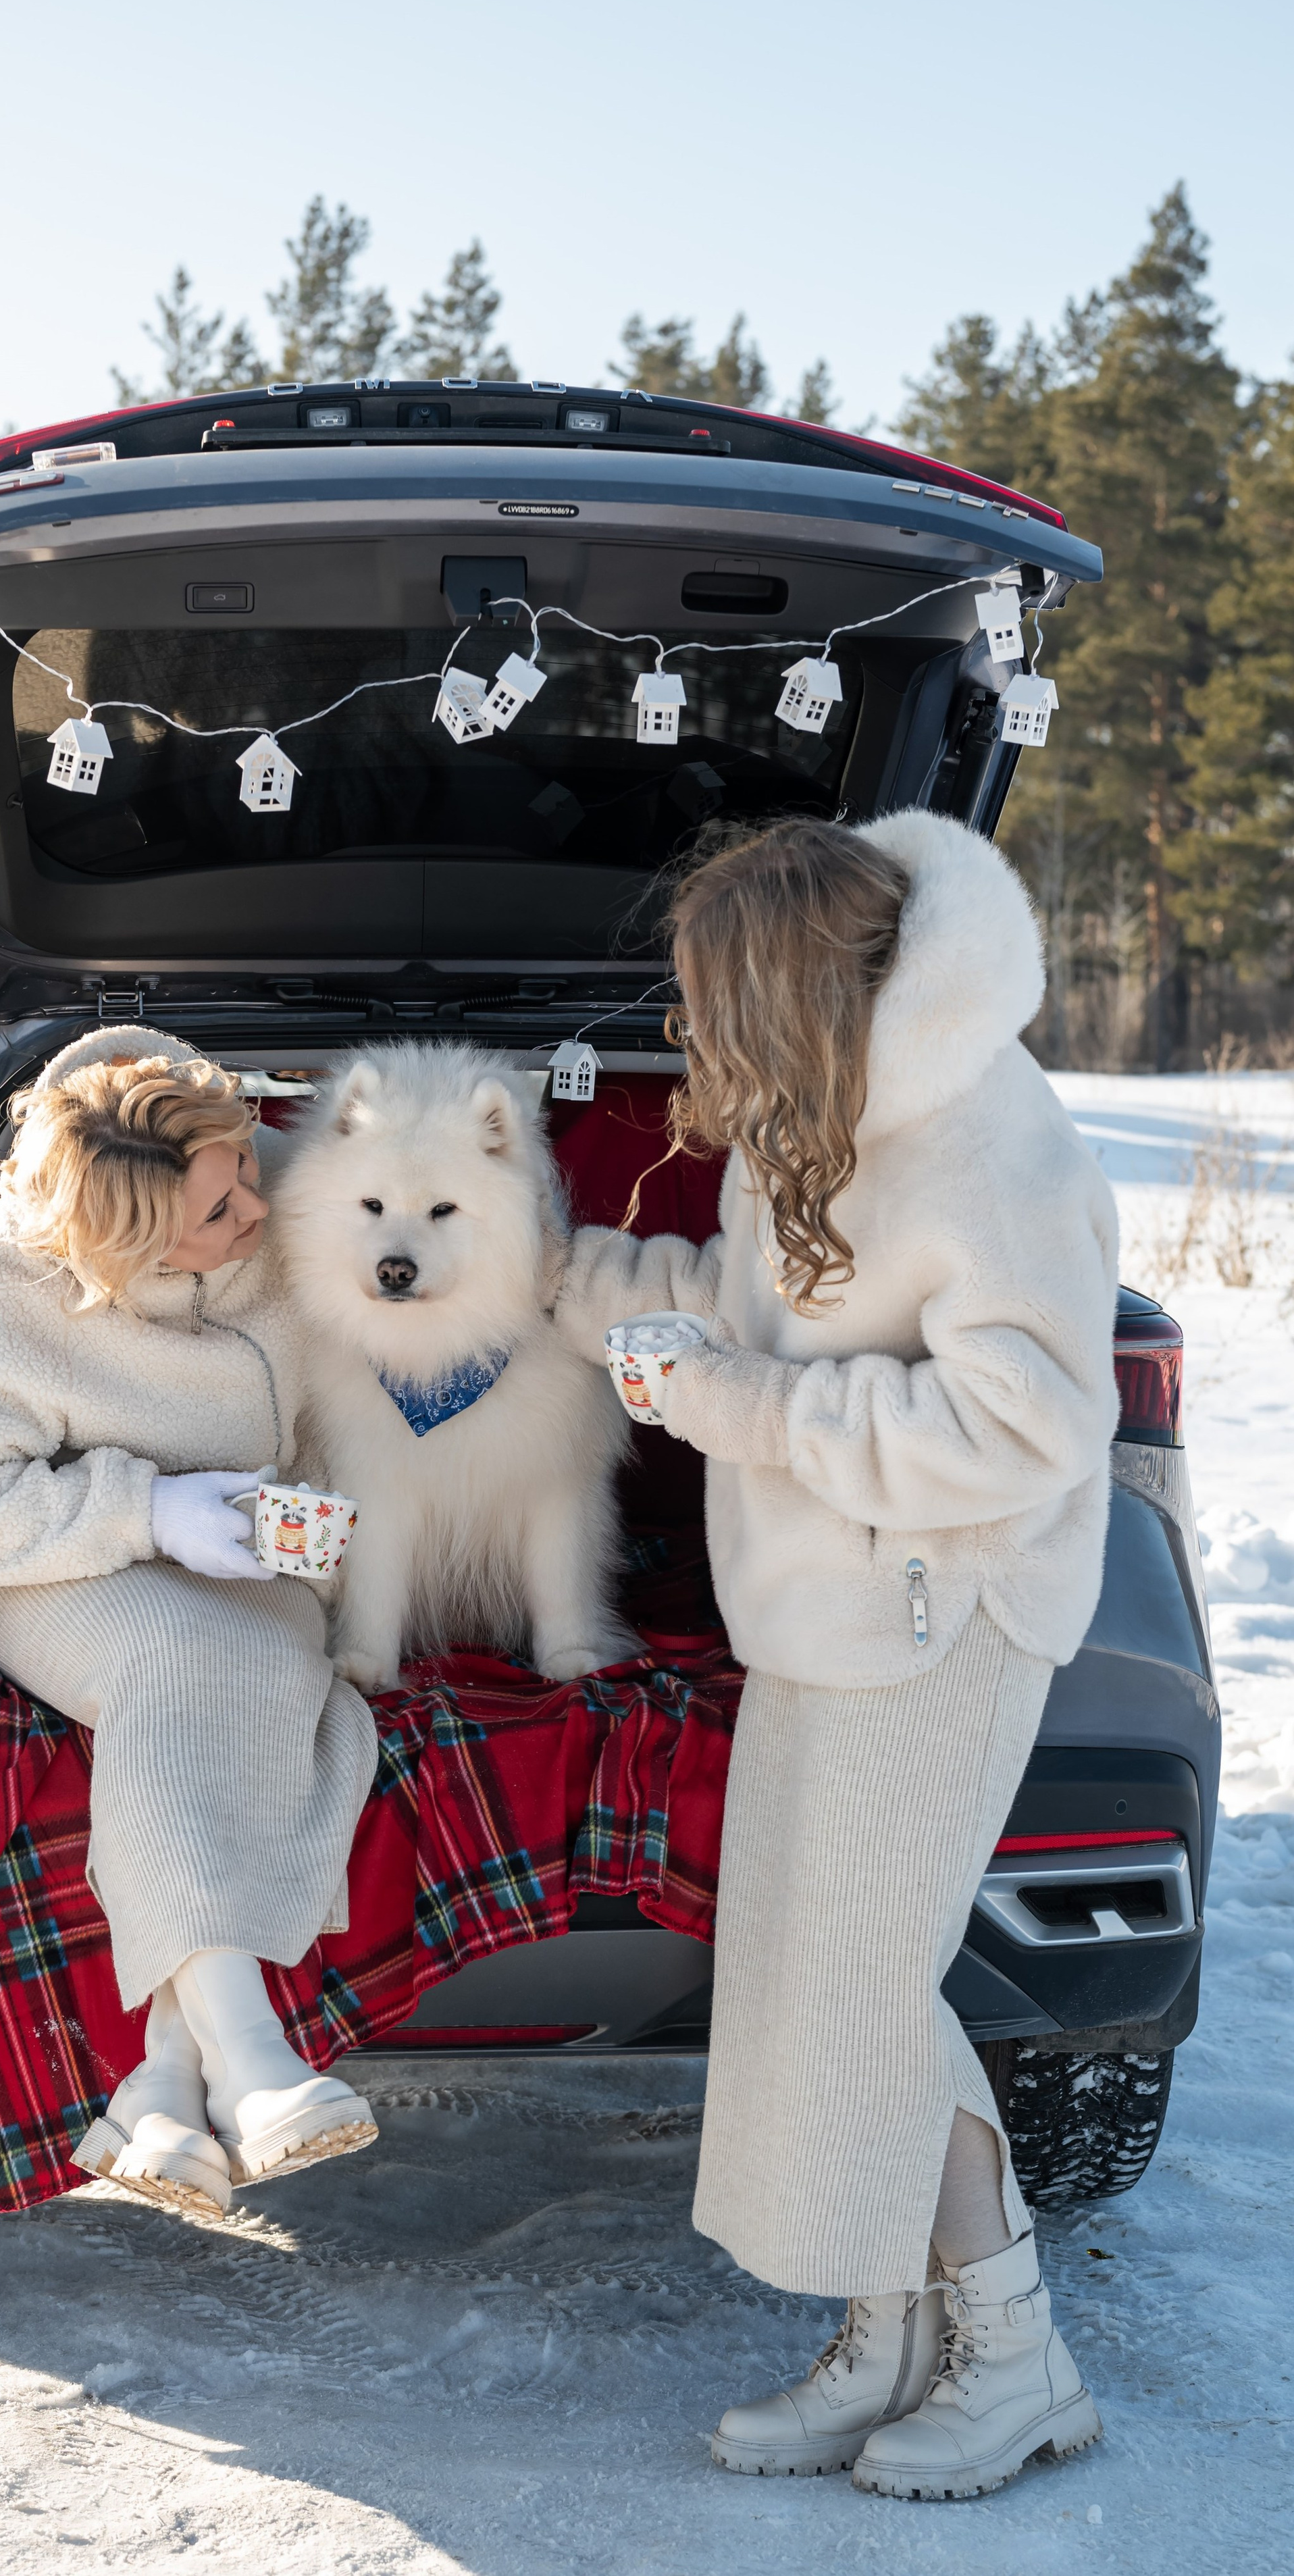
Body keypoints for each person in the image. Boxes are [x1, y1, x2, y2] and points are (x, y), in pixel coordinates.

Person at [557, 808, 1118, 2502]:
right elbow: (744, 1301)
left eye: (708, 1002)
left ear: (790, 995)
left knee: (865, 1994)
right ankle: (885, 2337)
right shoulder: (821, 1107)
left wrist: (737, 1407)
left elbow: (1023, 1424)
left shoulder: (985, 1140)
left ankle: (1014, 2359)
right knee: (811, 1985)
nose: (689, 1035)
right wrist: (556, 1274)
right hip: (823, 1610)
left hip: (945, 1619)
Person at [0, 1028, 379, 2221]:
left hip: (252, 1564)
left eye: (247, 1168)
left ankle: (159, 2086)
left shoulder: (279, 1225)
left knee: (256, 1668)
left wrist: (319, 1512)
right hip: (53, 1571)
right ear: (129, 1237)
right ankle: (252, 2058)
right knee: (175, 1659)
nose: (256, 1210)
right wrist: (145, 1510)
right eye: (218, 1210)